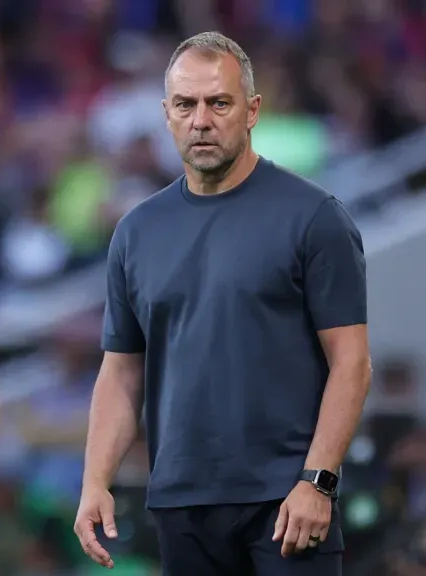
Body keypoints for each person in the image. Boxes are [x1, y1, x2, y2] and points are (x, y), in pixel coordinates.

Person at [73, 31, 370, 576]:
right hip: (181, 506)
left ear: (252, 110)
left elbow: (352, 362)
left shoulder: (314, 217)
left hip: (287, 503)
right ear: (167, 114)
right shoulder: (136, 232)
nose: (201, 120)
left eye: (219, 103)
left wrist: (318, 481)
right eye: (186, 105)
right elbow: (120, 372)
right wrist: (95, 481)